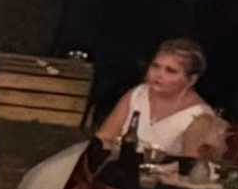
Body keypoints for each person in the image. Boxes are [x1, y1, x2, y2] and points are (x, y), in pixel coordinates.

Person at [94, 37, 227, 159]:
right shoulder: (138, 93)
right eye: (155, 66)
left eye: (170, 71)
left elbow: (190, 168)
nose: (158, 75)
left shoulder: (199, 116)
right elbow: (104, 136)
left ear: (191, 80)